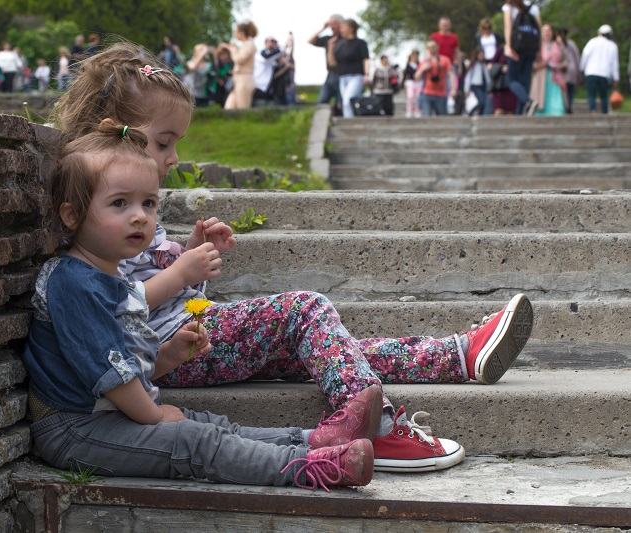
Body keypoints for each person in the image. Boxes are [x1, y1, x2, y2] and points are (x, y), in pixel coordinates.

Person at [53, 42, 537, 475]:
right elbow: (120, 306)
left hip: (187, 335)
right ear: (114, 133)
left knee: (334, 351)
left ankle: (456, 355)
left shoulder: (123, 206)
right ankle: (379, 427)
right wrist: (180, 272)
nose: (174, 157)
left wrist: (186, 254)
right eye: (164, 142)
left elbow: (157, 288)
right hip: (166, 354)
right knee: (304, 311)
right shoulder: (101, 215)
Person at [24, 118, 381, 490]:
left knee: (209, 424)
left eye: (149, 203)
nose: (140, 216)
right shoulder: (73, 282)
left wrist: (168, 355)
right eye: (119, 203)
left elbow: (129, 364)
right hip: (74, 428)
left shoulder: (109, 277)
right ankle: (311, 467)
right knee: (196, 441)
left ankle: (313, 441)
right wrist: (153, 414)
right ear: (72, 215)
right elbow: (111, 376)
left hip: (105, 416)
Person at [503, 0, 542, 114]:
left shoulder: (509, 6)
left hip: (516, 48)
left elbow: (508, 27)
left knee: (511, 80)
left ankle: (527, 101)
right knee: (525, 81)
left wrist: (509, 46)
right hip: (531, 49)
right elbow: (538, 30)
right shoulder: (534, 8)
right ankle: (520, 111)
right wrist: (539, 50)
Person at [328, 18, 369, 118]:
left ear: (351, 28)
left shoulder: (360, 43)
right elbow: (332, 63)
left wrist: (367, 74)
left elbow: (366, 59)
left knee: (348, 100)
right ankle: (352, 119)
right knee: (347, 102)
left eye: (343, 27)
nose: (341, 30)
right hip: (342, 77)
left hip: (356, 76)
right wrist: (330, 48)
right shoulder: (340, 45)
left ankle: (350, 121)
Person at [580, 24, 620, 114]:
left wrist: (581, 69)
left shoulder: (592, 42)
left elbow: (585, 55)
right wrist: (616, 78)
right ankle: (604, 113)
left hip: (591, 72)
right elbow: (614, 64)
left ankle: (593, 111)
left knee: (591, 94)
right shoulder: (613, 46)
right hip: (604, 74)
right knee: (604, 96)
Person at [309, 15, 344, 115]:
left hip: (342, 74)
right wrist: (323, 28)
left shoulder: (345, 39)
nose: (331, 26)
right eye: (330, 24)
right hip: (331, 74)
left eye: (334, 23)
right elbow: (310, 40)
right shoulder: (328, 39)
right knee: (322, 100)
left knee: (341, 102)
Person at [532, 25, 567, 116]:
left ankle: (557, 112)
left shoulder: (558, 45)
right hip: (541, 75)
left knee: (555, 96)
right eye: (544, 31)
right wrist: (542, 64)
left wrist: (558, 66)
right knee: (541, 95)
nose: (547, 33)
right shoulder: (536, 46)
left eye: (548, 31)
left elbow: (566, 61)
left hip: (556, 75)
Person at [416, 40, 456, 116]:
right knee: (426, 117)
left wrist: (453, 89)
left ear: (437, 47)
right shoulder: (424, 61)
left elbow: (451, 75)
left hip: (441, 94)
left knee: (442, 118)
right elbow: (416, 78)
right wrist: (422, 69)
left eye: (433, 46)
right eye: (429, 47)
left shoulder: (445, 59)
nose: (431, 49)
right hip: (427, 93)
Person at [225, 21, 258, 110]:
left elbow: (239, 59)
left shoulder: (250, 45)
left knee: (242, 110)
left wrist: (233, 50)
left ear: (242, 33)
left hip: (244, 80)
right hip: (238, 80)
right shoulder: (244, 45)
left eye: (236, 32)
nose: (235, 34)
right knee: (229, 108)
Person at [476, 18, 503, 114]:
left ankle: (495, 107)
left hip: (495, 61)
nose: (487, 30)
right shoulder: (479, 38)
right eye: (484, 28)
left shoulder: (495, 36)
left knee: (495, 83)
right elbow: (478, 50)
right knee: (488, 84)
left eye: (488, 28)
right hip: (485, 62)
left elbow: (500, 48)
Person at [253, 36, 282, 104]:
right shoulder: (261, 53)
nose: (273, 43)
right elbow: (266, 58)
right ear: (265, 43)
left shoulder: (273, 57)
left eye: (274, 42)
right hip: (258, 86)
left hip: (267, 88)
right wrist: (281, 49)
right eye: (271, 41)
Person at [558, 29, 580, 113]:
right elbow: (577, 57)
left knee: (564, 90)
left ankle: (566, 106)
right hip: (573, 70)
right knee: (570, 90)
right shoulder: (572, 43)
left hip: (563, 70)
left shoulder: (558, 44)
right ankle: (569, 105)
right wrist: (578, 71)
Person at [465, 47, 492, 115]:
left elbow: (487, 76)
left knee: (485, 102)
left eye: (483, 55)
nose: (482, 56)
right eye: (480, 55)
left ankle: (481, 114)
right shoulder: (474, 65)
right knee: (481, 101)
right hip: (476, 85)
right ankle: (471, 112)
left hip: (484, 85)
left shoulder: (484, 64)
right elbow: (468, 77)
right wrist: (466, 89)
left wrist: (489, 85)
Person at [402, 50, 421, 118]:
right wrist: (403, 83)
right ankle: (409, 111)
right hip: (410, 82)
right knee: (410, 96)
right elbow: (405, 74)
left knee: (417, 97)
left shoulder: (419, 64)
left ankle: (417, 111)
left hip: (418, 82)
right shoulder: (408, 65)